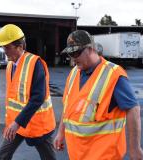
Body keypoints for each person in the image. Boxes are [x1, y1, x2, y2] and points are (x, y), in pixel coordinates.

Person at [53, 30, 143, 160]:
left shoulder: (113, 74)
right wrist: (61, 132)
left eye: (76, 53)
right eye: (70, 54)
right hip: (77, 154)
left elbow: (133, 109)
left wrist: (135, 149)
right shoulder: (73, 74)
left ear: (90, 49)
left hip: (103, 155)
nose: (73, 58)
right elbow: (68, 107)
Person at [0, 24, 56, 160]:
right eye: (3, 47)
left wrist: (17, 122)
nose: (4, 51)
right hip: (16, 125)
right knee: (2, 155)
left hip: (37, 124)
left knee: (48, 158)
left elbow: (38, 97)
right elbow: (14, 99)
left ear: (20, 46)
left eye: (7, 47)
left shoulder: (35, 63)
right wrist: (11, 124)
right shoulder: (10, 65)